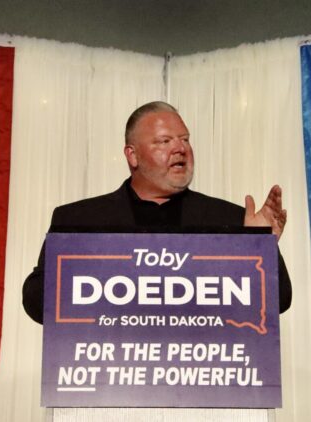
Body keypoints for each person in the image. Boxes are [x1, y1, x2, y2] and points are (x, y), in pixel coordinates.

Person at [22, 101, 291, 324]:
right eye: (164, 141)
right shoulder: (79, 219)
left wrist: (259, 245)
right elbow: (36, 303)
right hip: (109, 381)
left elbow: (278, 301)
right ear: (132, 156)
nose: (180, 148)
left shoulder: (230, 219)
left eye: (185, 139)